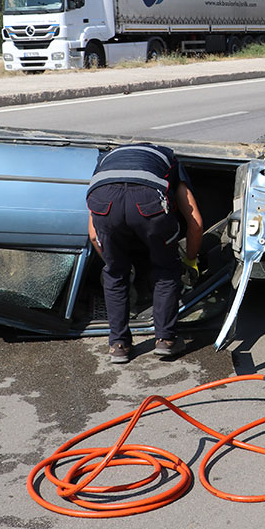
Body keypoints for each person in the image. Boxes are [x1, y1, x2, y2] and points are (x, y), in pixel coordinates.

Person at [87, 143, 204, 364]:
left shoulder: (104, 164)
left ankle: (119, 345)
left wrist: (115, 263)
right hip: (147, 198)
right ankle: (166, 340)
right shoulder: (169, 160)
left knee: (114, 275)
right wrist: (190, 259)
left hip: (106, 200)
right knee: (166, 270)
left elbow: (94, 236)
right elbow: (195, 223)